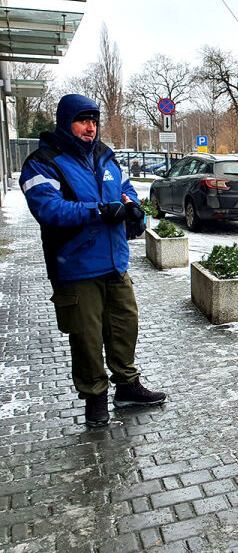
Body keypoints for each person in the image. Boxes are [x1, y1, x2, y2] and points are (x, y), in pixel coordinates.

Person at [19, 94, 166, 427]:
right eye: (83, 120)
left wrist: (134, 213)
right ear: (65, 122)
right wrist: (98, 211)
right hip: (76, 266)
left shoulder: (106, 157)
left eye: (94, 121)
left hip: (116, 262)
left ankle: (127, 386)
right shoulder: (44, 162)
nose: (90, 127)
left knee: (125, 326)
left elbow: (126, 192)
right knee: (86, 337)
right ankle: (95, 397)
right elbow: (48, 209)